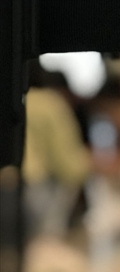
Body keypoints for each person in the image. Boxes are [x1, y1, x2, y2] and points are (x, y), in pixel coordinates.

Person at [22, 62, 91, 239]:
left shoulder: (10, 101)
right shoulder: (49, 103)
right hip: (35, 188)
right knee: (40, 245)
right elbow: (69, 165)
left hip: (9, 185)